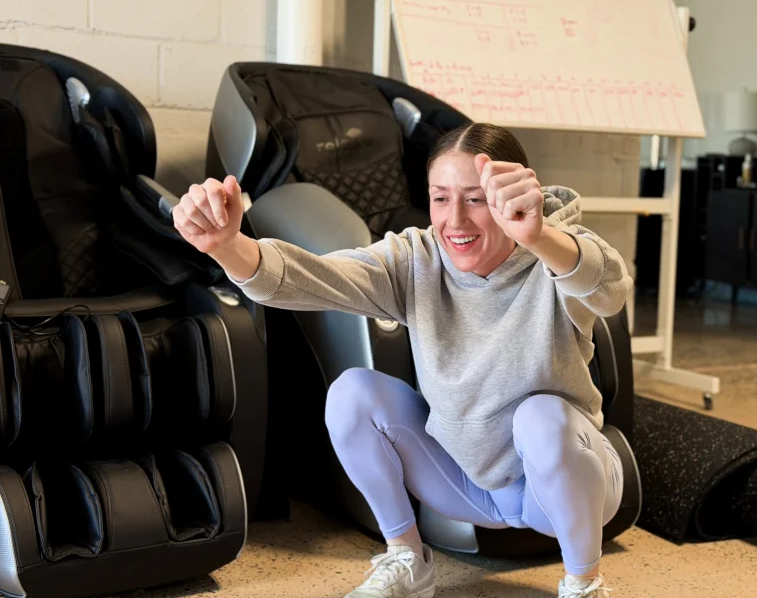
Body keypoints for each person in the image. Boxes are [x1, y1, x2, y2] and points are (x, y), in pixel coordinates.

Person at [172, 122, 633, 598]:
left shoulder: (558, 252)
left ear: (511, 192)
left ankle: (583, 583)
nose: (455, 220)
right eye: (440, 198)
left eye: (475, 199)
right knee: (353, 393)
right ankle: (408, 559)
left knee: (541, 416)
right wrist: (228, 247)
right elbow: (317, 277)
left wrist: (538, 237)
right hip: (466, 485)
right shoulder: (417, 258)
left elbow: (610, 289)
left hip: (565, 487)